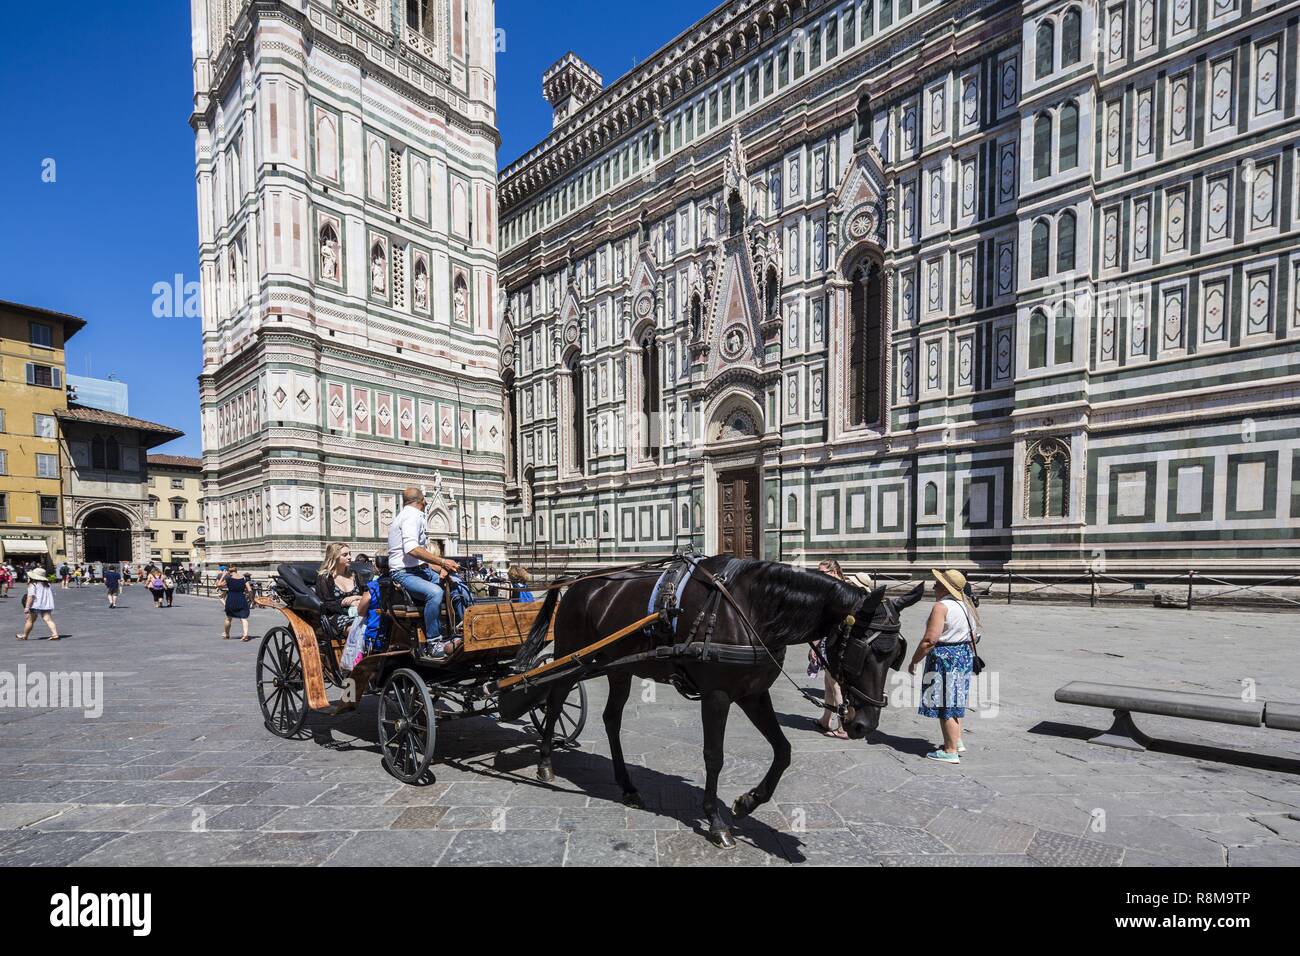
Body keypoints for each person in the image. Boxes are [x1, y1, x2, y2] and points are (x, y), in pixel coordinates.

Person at [908, 568, 981, 764]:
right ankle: (956, 741)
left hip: (944, 657)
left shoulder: (942, 606)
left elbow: (930, 640)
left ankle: (949, 751)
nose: (934, 585)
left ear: (946, 587)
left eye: (938, 583)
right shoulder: (966, 605)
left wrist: (914, 660)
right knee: (955, 701)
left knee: (945, 704)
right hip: (963, 655)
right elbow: (974, 636)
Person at [387, 486, 461, 661]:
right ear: (423, 501)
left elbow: (419, 559)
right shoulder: (411, 516)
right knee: (434, 593)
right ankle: (434, 642)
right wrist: (442, 561)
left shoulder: (409, 515)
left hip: (420, 570)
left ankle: (460, 631)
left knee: (457, 584)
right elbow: (412, 549)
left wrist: (440, 568)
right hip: (403, 574)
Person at [315, 543, 373, 713]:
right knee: (357, 633)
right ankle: (352, 676)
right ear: (334, 557)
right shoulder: (325, 578)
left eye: (350, 554)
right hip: (336, 617)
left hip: (358, 613)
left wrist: (356, 598)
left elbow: (365, 593)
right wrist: (344, 603)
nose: (350, 557)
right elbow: (326, 604)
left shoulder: (354, 574)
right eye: (345, 555)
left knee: (376, 630)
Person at [807, 559, 851, 738]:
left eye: (822, 572)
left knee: (836, 686)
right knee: (829, 684)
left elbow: (828, 621)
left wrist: (815, 645)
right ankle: (825, 719)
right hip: (832, 641)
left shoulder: (838, 592)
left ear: (834, 573)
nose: (818, 576)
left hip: (836, 644)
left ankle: (843, 726)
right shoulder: (838, 589)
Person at [17, 567, 59, 641]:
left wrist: (27, 607)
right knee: (48, 620)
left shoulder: (33, 584)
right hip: (46, 604)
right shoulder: (48, 584)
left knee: (30, 621)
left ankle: (25, 635)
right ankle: (55, 634)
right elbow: (53, 593)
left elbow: (30, 596)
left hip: (35, 605)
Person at [220, 564, 251, 641]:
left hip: (231, 599)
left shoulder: (228, 579)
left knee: (228, 618)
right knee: (243, 618)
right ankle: (245, 634)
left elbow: (218, 585)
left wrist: (223, 576)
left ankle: (227, 635)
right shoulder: (244, 579)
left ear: (229, 572)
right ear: (236, 570)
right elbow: (250, 590)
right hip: (241, 598)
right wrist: (251, 599)